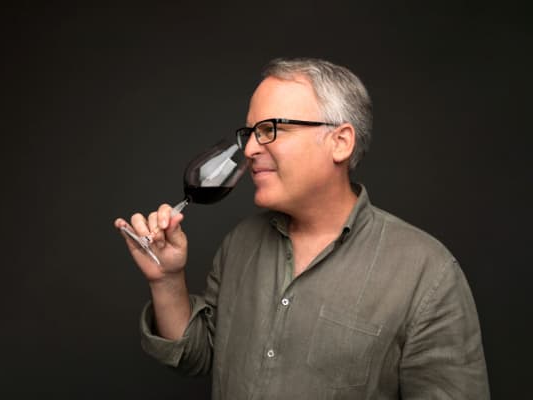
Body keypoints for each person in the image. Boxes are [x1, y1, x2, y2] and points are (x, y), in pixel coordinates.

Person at [114, 57, 490, 399]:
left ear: (340, 142)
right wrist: (167, 280)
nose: (249, 150)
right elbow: (197, 357)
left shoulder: (427, 273)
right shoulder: (240, 244)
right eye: (250, 133)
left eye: (270, 129)